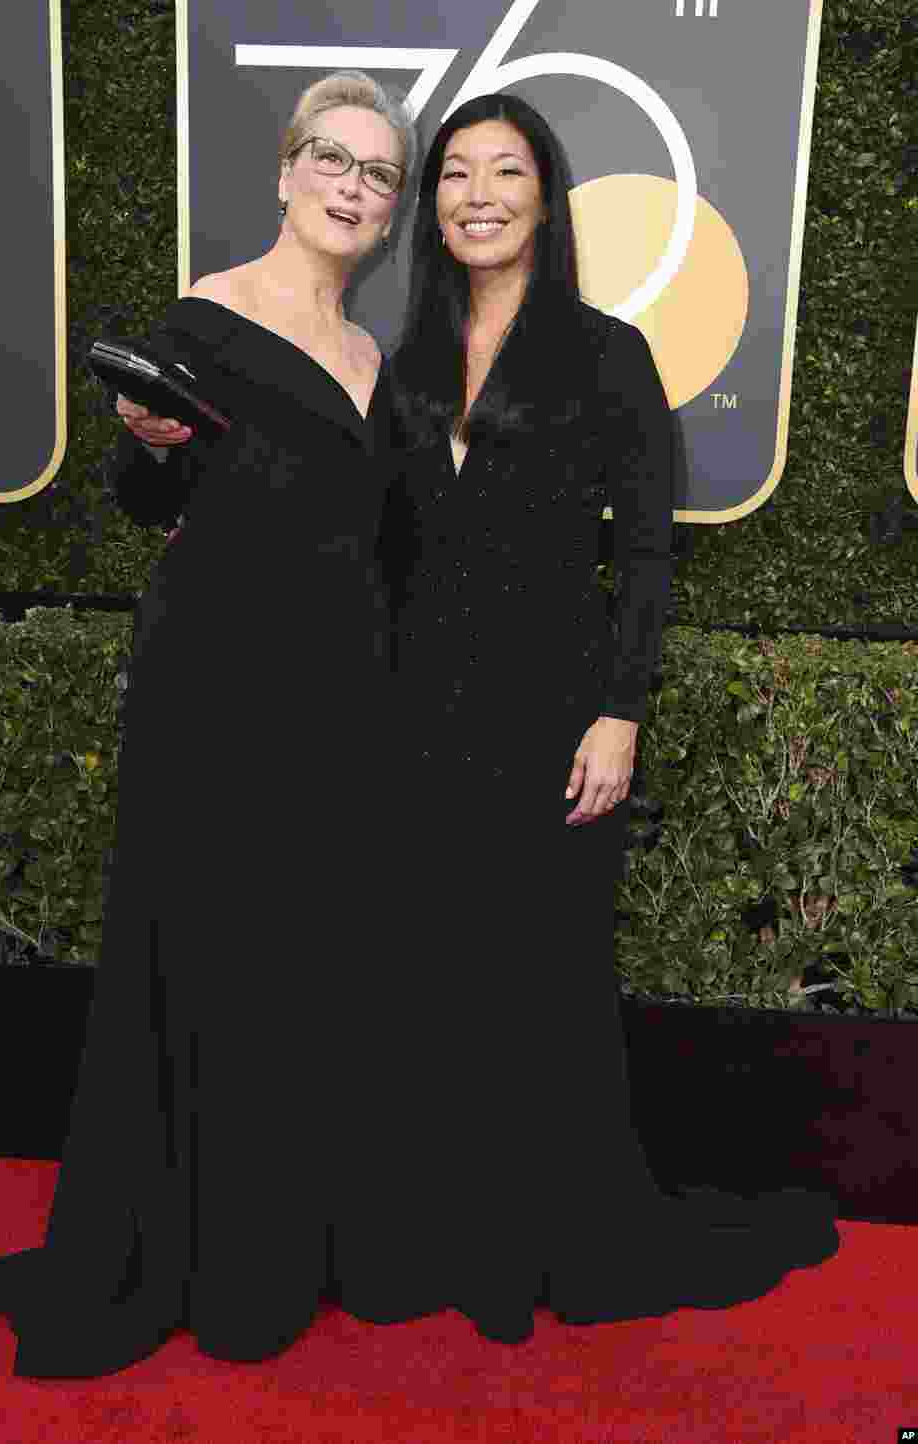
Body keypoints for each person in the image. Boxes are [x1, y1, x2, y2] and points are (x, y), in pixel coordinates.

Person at [0, 70, 422, 1378]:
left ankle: (267, 1244)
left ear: (391, 210)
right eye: (331, 157)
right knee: (203, 948)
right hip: (220, 679)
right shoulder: (206, 319)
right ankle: (178, 1249)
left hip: (340, 694)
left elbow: (379, 539)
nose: (351, 186)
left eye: (378, 173)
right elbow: (141, 491)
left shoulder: (371, 356)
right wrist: (149, 440)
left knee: (296, 964)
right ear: (284, 172)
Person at [370, 91, 841, 1346]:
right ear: (431, 204)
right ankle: (440, 1231)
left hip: (551, 713)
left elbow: (642, 553)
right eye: (454, 172)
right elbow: (371, 545)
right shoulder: (405, 358)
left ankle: (543, 1238)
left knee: (541, 984)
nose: (475, 194)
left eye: (503, 172)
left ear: (544, 198)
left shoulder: (603, 352)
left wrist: (618, 711)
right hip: (419, 713)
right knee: (431, 981)